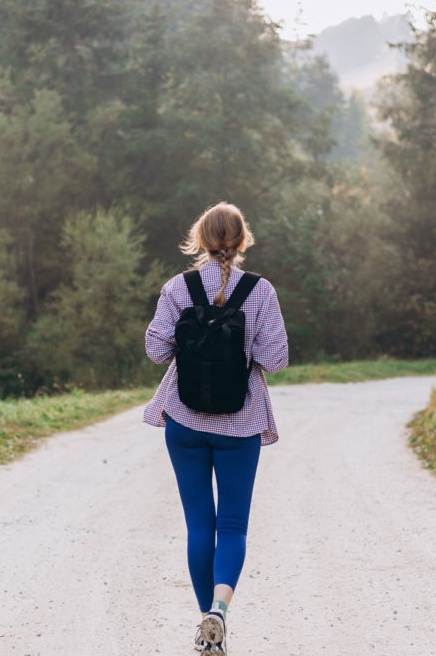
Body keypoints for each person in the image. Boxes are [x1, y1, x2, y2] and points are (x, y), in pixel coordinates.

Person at [144, 201, 289, 654]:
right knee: (232, 527)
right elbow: (276, 359)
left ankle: (206, 626)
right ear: (243, 241)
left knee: (198, 526)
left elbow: (155, 350)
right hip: (240, 423)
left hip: (183, 420)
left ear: (199, 240)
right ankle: (219, 612)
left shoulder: (177, 287)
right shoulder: (260, 292)